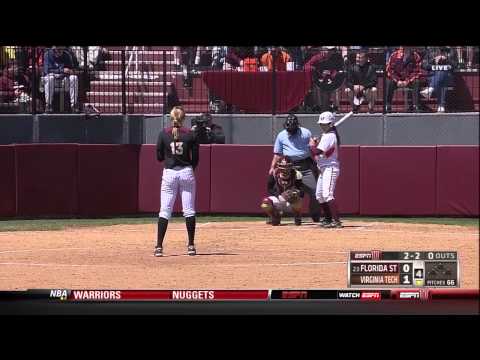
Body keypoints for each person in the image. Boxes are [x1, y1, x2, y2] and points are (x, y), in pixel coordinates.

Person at [155, 106, 200, 257]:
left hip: (169, 172)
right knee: (189, 210)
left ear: (171, 117)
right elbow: (195, 159)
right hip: (186, 171)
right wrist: (189, 167)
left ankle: (159, 247)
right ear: (184, 118)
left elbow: (159, 157)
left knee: (165, 210)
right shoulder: (191, 134)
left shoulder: (163, 134)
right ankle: (191, 246)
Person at [269, 113, 321, 223]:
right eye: (288, 128)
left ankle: (315, 216)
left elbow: (312, 149)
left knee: (315, 191)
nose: (290, 131)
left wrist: (315, 146)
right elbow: (277, 153)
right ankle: (279, 215)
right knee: (287, 193)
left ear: (297, 126)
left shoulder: (306, 133)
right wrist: (272, 167)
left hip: (305, 165)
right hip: (288, 166)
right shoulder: (281, 135)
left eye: (292, 128)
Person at [309, 111, 342, 228]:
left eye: (326, 124)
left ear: (331, 123)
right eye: (322, 124)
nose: (323, 126)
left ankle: (336, 221)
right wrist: (315, 144)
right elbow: (317, 153)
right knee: (319, 195)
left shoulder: (329, 136)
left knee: (327, 194)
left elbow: (317, 152)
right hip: (323, 169)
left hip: (330, 168)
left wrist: (312, 145)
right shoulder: (327, 135)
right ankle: (328, 218)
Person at [261, 156, 304, 226]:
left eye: (287, 166)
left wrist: (295, 193)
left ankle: (297, 214)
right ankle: (275, 216)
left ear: (291, 166)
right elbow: (270, 189)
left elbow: (301, 190)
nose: (285, 169)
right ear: (278, 166)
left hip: (290, 202)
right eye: (282, 166)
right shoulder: (274, 173)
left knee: (297, 199)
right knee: (265, 203)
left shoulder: (297, 174)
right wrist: (278, 195)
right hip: (278, 199)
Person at [304, 46, 345, 113]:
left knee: (336, 89)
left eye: (331, 50)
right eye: (327, 50)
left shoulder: (337, 57)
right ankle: (321, 108)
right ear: (322, 50)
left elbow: (340, 69)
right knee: (318, 88)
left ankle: (336, 108)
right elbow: (306, 66)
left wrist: (333, 73)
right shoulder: (317, 57)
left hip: (333, 80)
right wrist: (315, 69)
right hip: (320, 81)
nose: (329, 51)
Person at [385, 46, 422, 113]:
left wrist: (407, 80)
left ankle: (415, 105)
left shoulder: (415, 56)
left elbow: (417, 71)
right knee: (389, 82)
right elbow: (389, 70)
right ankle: (388, 105)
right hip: (397, 81)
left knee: (416, 82)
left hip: (409, 81)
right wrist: (397, 80)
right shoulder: (394, 55)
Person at [43, 46, 79, 113]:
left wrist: (70, 71)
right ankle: (48, 105)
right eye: (58, 49)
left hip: (64, 77)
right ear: (54, 49)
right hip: (53, 77)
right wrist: (62, 70)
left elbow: (71, 68)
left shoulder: (66, 55)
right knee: (49, 78)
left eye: (61, 49)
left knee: (74, 78)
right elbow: (46, 70)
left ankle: (74, 105)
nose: (60, 51)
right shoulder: (47, 54)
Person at [420, 46, 457, 113]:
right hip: (432, 77)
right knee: (440, 78)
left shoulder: (450, 50)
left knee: (442, 74)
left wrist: (446, 60)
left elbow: (455, 65)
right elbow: (424, 65)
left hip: (447, 77)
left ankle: (431, 89)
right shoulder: (430, 51)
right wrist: (434, 60)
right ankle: (441, 105)